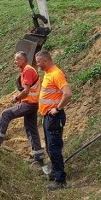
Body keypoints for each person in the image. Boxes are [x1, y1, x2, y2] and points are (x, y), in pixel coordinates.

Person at [0, 51, 45, 167]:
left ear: (24, 60)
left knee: (6, 114)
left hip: (29, 103)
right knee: (31, 129)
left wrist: (16, 98)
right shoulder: (27, 70)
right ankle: (38, 157)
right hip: (33, 104)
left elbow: (26, 91)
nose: (15, 61)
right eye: (15, 59)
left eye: (17, 59)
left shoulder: (27, 70)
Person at [35, 50, 72, 191]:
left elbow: (67, 94)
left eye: (39, 62)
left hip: (54, 117)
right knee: (50, 148)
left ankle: (60, 180)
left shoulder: (56, 74)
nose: (38, 65)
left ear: (45, 61)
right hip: (48, 117)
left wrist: (57, 108)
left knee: (54, 148)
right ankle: (54, 172)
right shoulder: (48, 74)